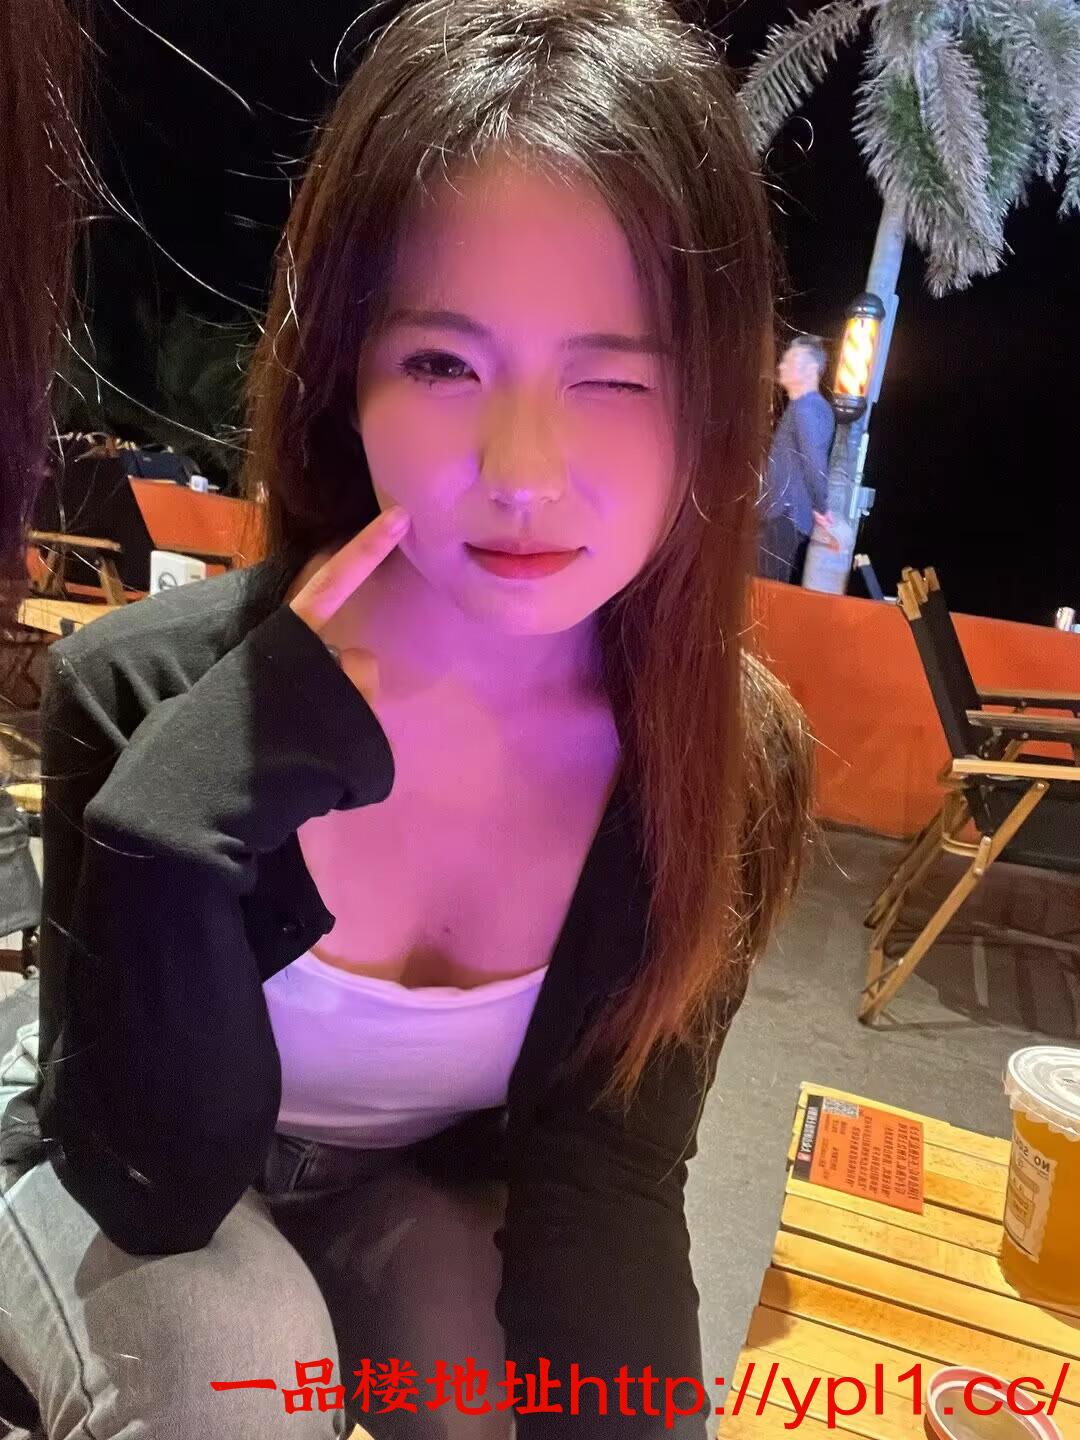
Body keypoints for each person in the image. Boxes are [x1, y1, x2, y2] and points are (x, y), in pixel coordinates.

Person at [0, 1, 813, 1437]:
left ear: (708, 407)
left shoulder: (716, 762)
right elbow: (154, 1184)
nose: (523, 469)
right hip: (111, 1157)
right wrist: (180, 818)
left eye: (613, 377)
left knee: (486, 1372)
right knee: (238, 1368)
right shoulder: (137, 690)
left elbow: (607, 1184)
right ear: (348, 375)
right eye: (444, 364)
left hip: (403, 1192)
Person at [757, 335, 835, 584]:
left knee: (764, 589)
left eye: (791, 360)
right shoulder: (800, 407)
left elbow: (814, 461)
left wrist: (821, 507)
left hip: (785, 516)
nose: (781, 366)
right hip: (780, 515)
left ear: (811, 369)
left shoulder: (809, 408)